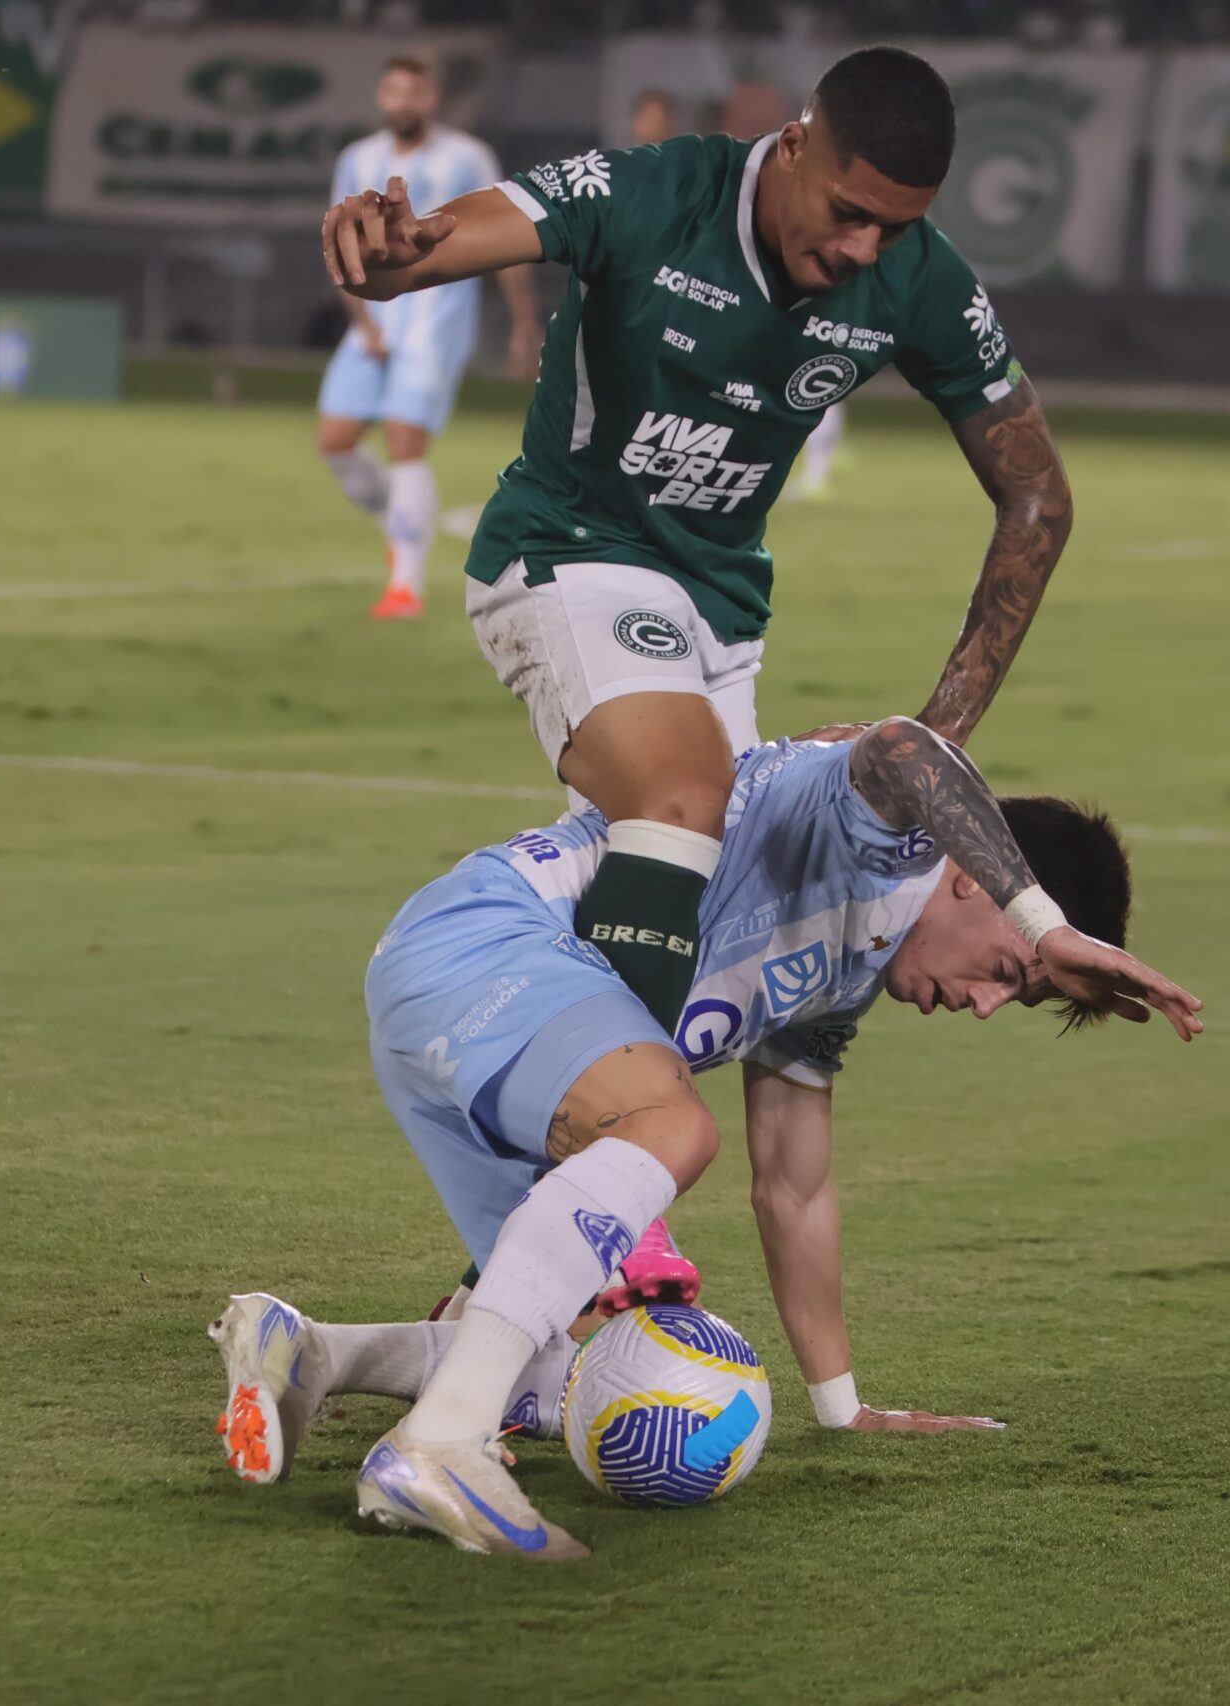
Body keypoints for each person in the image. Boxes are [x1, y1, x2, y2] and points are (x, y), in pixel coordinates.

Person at [212, 715, 1203, 1557]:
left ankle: (310, 1352)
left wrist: (844, 1407)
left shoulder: (844, 976)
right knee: (674, 1129)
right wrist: (1045, 921)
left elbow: (795, 1187)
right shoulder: (874, 838)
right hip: (488, 943)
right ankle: (438, 1444)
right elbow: (902, 746)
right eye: (1009, 971)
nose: (984, 1004)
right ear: (973, 880)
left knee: (572, 1363)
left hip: (474, 1020)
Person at [320, 46, 1073, 1085]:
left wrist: (943, 733)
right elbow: (446, 243)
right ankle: (625, 1135)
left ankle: (526, 1096)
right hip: (569, 551)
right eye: (848, 212)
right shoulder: (660, 193)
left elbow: (1039, 497)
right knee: (682, 796)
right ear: (796, 147)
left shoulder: (921, 278)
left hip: (722, 610)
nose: (863, 248)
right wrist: (386, 255)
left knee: (721, 915)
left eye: (893, 228)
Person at [319, 57, 541, 622]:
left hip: (435, 325)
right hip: (371, 326)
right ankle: (397, 521)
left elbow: (507, 236)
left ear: (432, 98)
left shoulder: (467, 157)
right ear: (381, 96)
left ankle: (404, 586)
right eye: (394, 90)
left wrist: (524, 322)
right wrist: (362, 322)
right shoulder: (357, 159)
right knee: (336, 443)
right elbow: (340, 244)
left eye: (415, 91)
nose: (404, 101)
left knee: (404, 444)